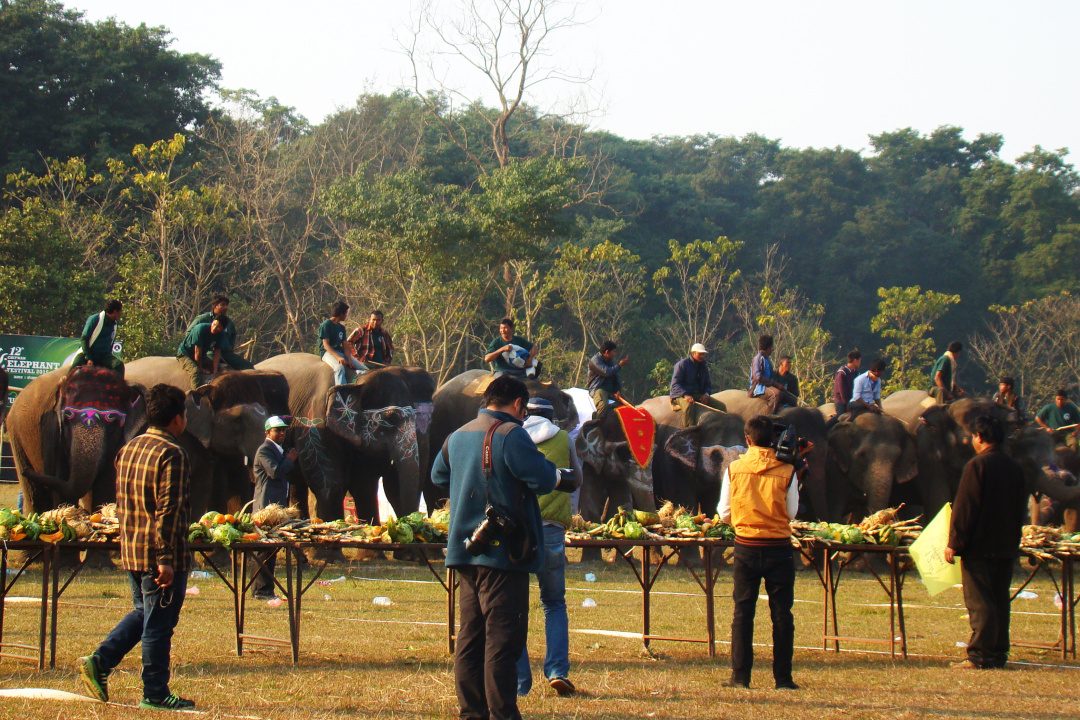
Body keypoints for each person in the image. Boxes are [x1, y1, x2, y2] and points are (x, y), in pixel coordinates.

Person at [431, 375, 570, 720]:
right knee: (503, 639)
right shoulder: (511, 434)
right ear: (519, 405)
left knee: (471, 637)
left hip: (465, 551)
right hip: (502, 554)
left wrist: (471, 485)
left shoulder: (458, 435)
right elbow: (541, 478)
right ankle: (503, 714)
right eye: (523, 410)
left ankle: (471, 713)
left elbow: (438, 476)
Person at [77, 384, 195, 710]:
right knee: (158, 625)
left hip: (132, 550)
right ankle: (155, 693)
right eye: (185, 413)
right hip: (160, 554)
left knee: (145, 613)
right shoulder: (173, 453)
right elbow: (168, 511)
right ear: (176, 418)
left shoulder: (128, 449)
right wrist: (167, 559)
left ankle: (100, 662)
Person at [718, 415, 801, 691]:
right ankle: (783, 679)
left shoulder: (734, 469)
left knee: (743, 612)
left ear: (748, 440)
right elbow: (792, 513)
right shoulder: (788, 471)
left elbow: (724, 513)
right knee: (782, 614)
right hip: (779, 548)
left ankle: (740, 677)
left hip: (746, 548)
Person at [945, 415, 1027, 669]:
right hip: (1005, 546)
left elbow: (965, 508)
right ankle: (998, 652)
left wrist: (955, 542)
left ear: (979, 437)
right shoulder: (1014, 467)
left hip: (979, 546)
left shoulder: (977, 466)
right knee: (1000, 600)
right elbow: (1020, 510)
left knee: (980, 602)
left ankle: (980, 655)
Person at [515, 397, 582, 697]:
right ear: (553, 417)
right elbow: (577, 479)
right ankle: (557, 670)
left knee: (514, 606)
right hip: (553, 530)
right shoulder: (564, 438)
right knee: (553, 603)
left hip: (519, 531)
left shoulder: (513, 437)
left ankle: (518, 680)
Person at [249, 416, 298, 600]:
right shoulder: (265, 450)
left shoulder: (277, 450)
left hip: (275, 508)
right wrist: (290, 459)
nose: (282, 433)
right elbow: (275, 472)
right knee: (263, 550)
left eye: (283, 430)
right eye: (277, 430)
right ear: (267, 432)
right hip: (265, 508)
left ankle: (265, 589)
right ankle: (260, 590)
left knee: (271, 549)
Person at [187, 294, 254, 371]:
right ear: (215, 306)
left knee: (248, 366)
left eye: (226, 305)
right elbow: (189, 333)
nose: (225, 307)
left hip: (225, 353)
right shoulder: (202, 319)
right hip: (209, 353)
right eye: (222, 305)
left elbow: (232, 336)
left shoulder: (229, 322)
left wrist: (230, 347)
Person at [670, 343, 725, 427]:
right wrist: (685, 395)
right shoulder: (682, 364)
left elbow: (707, 383)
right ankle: (688, 433)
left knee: (721, 406)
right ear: (693, 353)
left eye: (703, 354)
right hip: (680, 395)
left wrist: (706, 394)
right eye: (700, 354)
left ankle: (720, 429)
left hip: (696, 394)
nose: (702, 356)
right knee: (688, 406)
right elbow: (675, 384)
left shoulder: (703, 366)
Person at [71, 300, 125, 377]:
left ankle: (118, 388)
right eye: (120, 311)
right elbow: (84, 339)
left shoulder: (115, 324)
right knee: (74, 369)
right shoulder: (94, 319)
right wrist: (88, 358)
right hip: (88, 353)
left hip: (104, 356)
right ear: (115, 311)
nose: (120, 314)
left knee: (118, 365)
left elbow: (110, 344)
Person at [175, 316, 230, 388]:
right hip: (185, 354)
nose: (214, 328)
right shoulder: (200, 329)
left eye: (218, 327)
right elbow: (197, 351)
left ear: (223, 328)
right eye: (213, 324)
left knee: (222, 369)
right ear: (212, 322)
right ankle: (195, 395)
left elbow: (217, 352)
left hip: (201, 356)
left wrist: (215, 370)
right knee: (195, 372)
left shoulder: (221, 334)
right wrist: (200, 368)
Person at [320, 301, 364, 386]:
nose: (347, 315)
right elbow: (326, 345)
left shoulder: (341, 327)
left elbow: (346, 346)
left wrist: (350, 360)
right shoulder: (326, 325)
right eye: (346, 313)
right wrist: (338, 357)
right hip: (327, 353)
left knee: (364, 369)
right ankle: (341, 392)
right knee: (339, 368)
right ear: (341, 313)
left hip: (340, 352)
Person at [586, 341, 628, 418]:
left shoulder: (611, 362)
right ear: (607, 352)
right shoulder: (595, 360)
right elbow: (606, 372)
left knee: (629, 406)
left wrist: (618, 390)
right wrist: (620, 365)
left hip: (611, 391)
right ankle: (596, 425)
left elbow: (616, 377)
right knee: (603, 406)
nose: (615, 354)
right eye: (614, 352)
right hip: (599, 388)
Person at [748, 334, 784, 415]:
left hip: (766, 387)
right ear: (769, 348)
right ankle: (770, 416)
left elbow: (771, 376)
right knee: (777, 394)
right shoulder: (758, 359)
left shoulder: (767, 360)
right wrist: (775, 384)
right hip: (758, 388)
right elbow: (758, 378)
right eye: (771, 348)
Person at [830, 351, 862, 424]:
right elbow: (842, 392)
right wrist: (847, 405)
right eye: (859, 361)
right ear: (855, 361)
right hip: (841, 401)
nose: (860, 363)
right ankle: (825, 428)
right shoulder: (842, 372)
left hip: (852, 401)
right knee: (840, 417)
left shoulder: (856, 373)